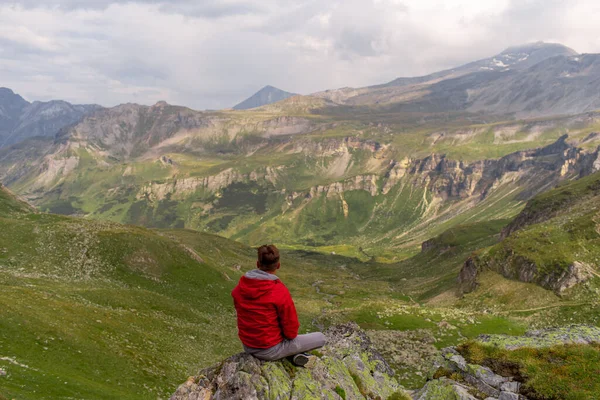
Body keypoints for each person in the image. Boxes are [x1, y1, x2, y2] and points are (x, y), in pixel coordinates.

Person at [231, 244, 326, 367]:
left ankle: (296, 356)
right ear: (278, 265)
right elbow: (291, 331)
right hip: (270, 350)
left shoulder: (241, 287)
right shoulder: (278, 290)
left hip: (248, 346)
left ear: (257, 264)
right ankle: (293, 355)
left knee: (288, 342)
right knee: (321, 338)